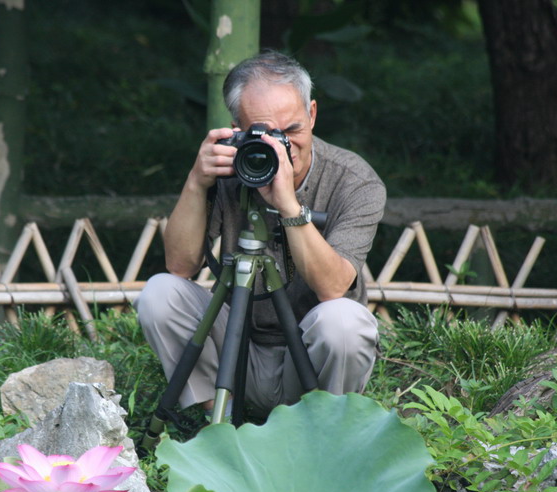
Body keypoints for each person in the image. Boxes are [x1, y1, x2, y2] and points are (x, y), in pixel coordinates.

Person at [136, 50, 386, 418]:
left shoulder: (354, 181)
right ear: (238, 126)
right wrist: (196, 182)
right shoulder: (232, 168)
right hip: (237, 353)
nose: (282, 146)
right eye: (267, 134)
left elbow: (334, 288)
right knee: (160, 292)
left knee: (345, 322)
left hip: (311, 353)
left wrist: (289, 206)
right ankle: (218, 417)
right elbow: (180, 265)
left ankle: (321, 430)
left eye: (293, 131)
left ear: (312, 113)